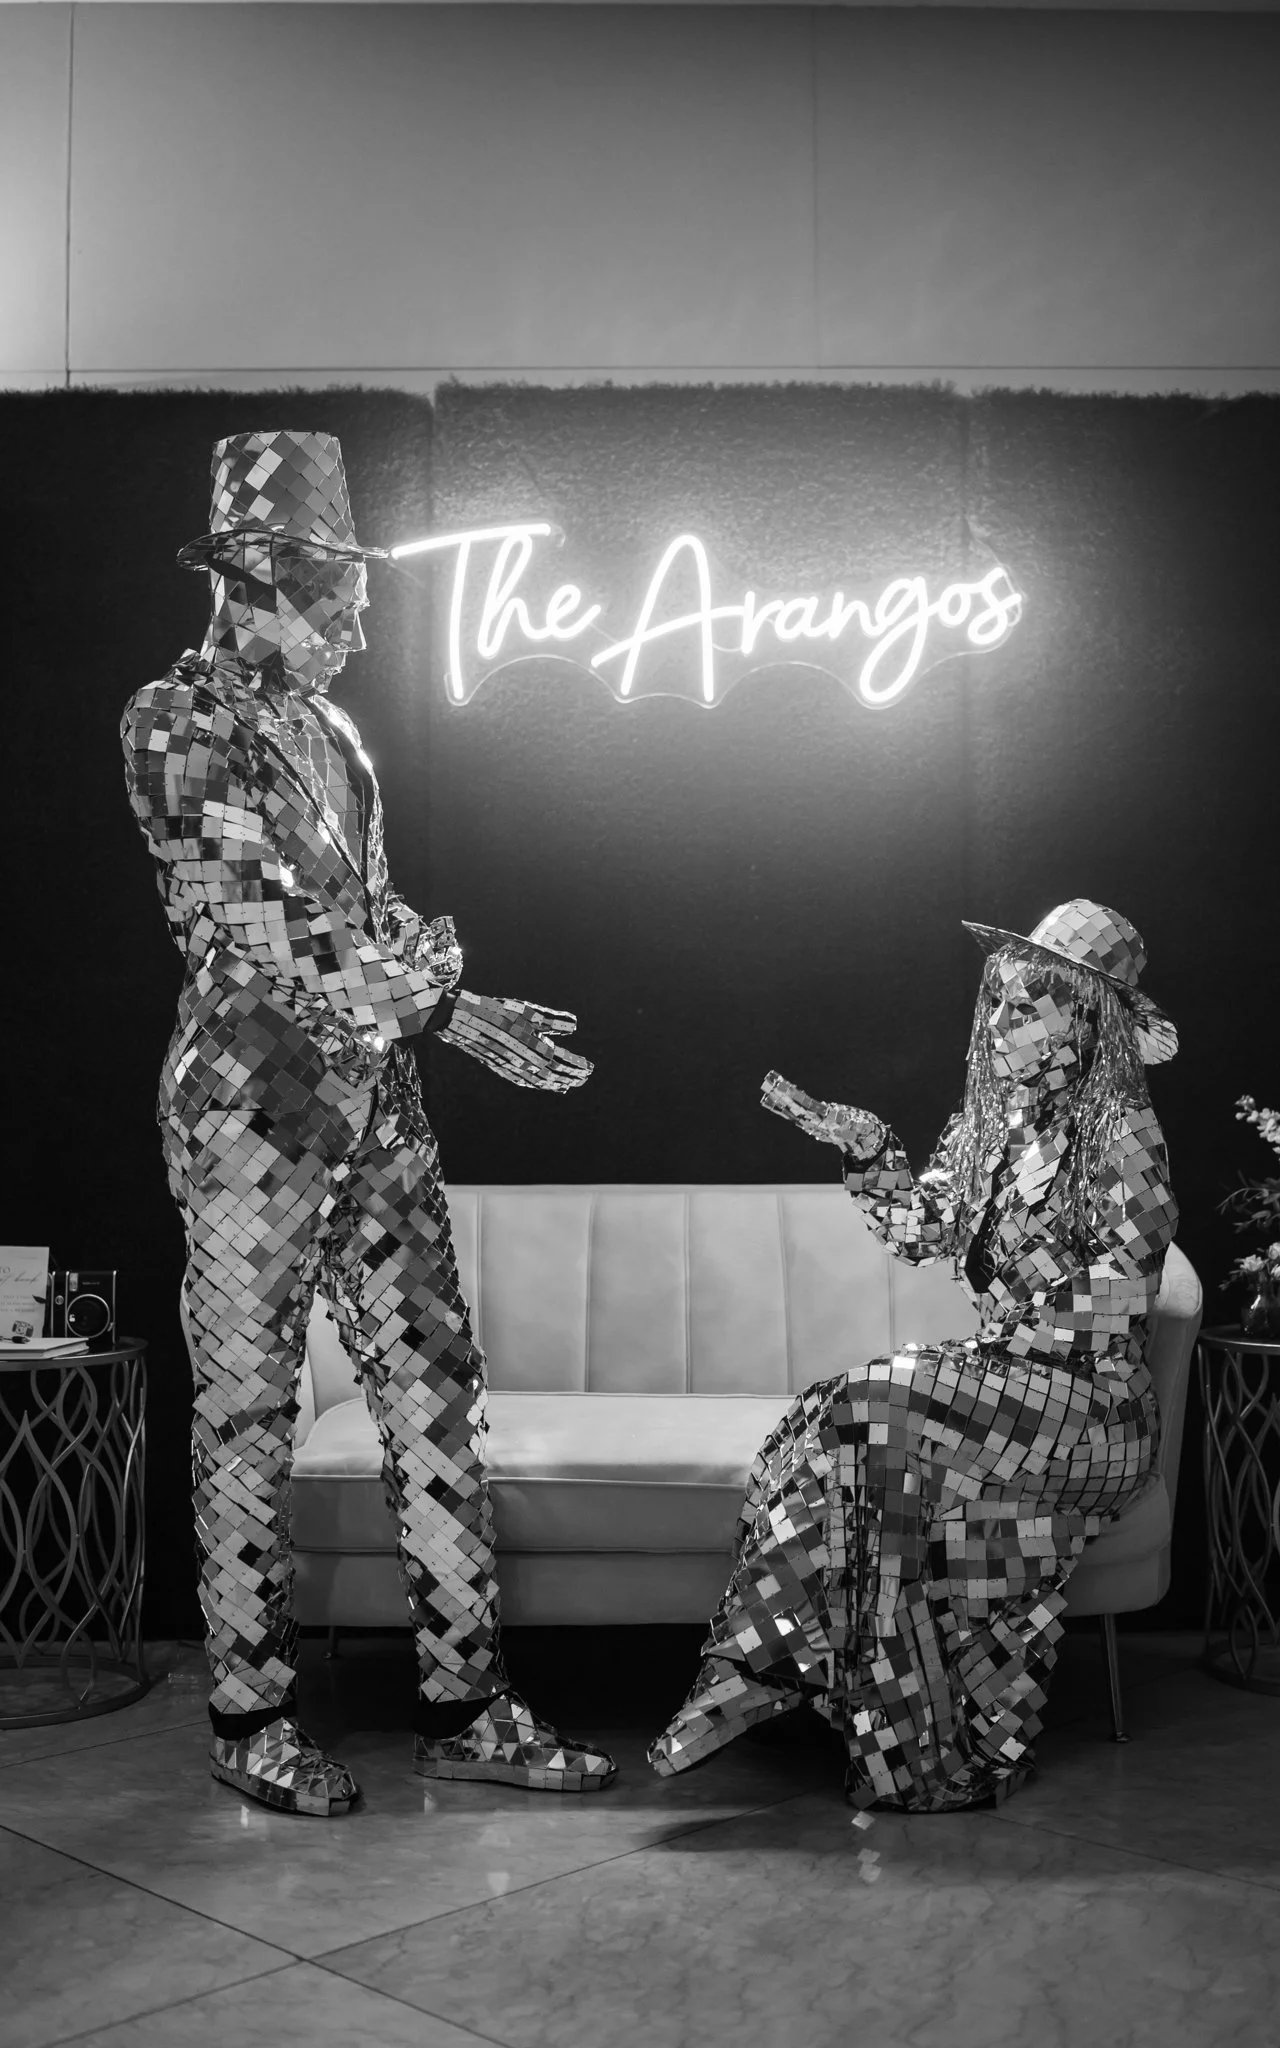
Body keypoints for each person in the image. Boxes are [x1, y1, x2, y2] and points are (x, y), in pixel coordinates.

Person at [123, 430, 615, 1816]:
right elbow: (266, 924)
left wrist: (440, 976)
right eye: (337, 599)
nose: (357, 628)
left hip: (379, 1116)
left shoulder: (338, 737)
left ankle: (466, 1702)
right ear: (255, 583)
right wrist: (444, 1003)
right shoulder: (170, 723)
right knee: (246, 1416)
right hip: (248, 1128)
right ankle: (249, 1717)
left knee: (437, 1397)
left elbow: (368, 912)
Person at [648, 900, 1178, 1812]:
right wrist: (868, 1147)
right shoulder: (986, 1130)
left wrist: (975, 1364)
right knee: (841, 1421)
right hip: (1003, 1391)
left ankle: (758, 1669)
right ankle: (864, 1727)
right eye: (995, 1001)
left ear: (1083, 1021)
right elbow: (917, 1230)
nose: (997, 1022)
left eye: (1023, 1007)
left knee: (869, 1401)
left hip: (1091, 1413)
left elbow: (1118, 1298)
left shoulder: (1123, 1136)